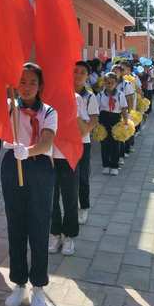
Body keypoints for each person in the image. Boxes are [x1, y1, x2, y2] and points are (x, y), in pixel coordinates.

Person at [2, 63, 57, 306]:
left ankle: (38, 286)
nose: (26, 87)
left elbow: (46, 141)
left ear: (40, 86)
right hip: (12, 166)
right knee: (16, 225)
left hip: (39, 168)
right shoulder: (8, 108)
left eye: (32, 82)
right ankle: (19, 282)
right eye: (21, 82)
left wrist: (29, 151)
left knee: (38, 226)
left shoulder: (48, 111)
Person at [49, 93, 85, 256]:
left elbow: (83, 129)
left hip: (68, 156)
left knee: (70, 198)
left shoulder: (75, 98)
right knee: (51, 199)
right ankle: (55, 233)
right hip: (47, 157)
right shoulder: (44, 96)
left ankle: (69, 235)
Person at [73, 61, 100, 225]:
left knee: (82, 176)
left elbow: (94, 118)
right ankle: (71, 204)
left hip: (83, 142)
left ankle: (84, 207)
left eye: (82, 72)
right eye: (75, 71)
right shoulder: (63, 93)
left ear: (87, 76)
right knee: (67, 177)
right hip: (65, 142)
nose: (78, 75)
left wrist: (84, 131)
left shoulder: (90, 96)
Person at [97, 72, 129, 176]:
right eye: (107, 82)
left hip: (115, 119)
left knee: (115, 143)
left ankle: (114, 165)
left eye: (112, 82)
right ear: (104, 83)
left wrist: (125, 122)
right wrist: (96, 124)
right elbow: (96, 110)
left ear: (116, 83)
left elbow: (124, 109)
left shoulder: (120, 95)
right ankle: (106, 165)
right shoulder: (100, 95)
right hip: (103, 119)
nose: (109, 84)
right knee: (104, 143)